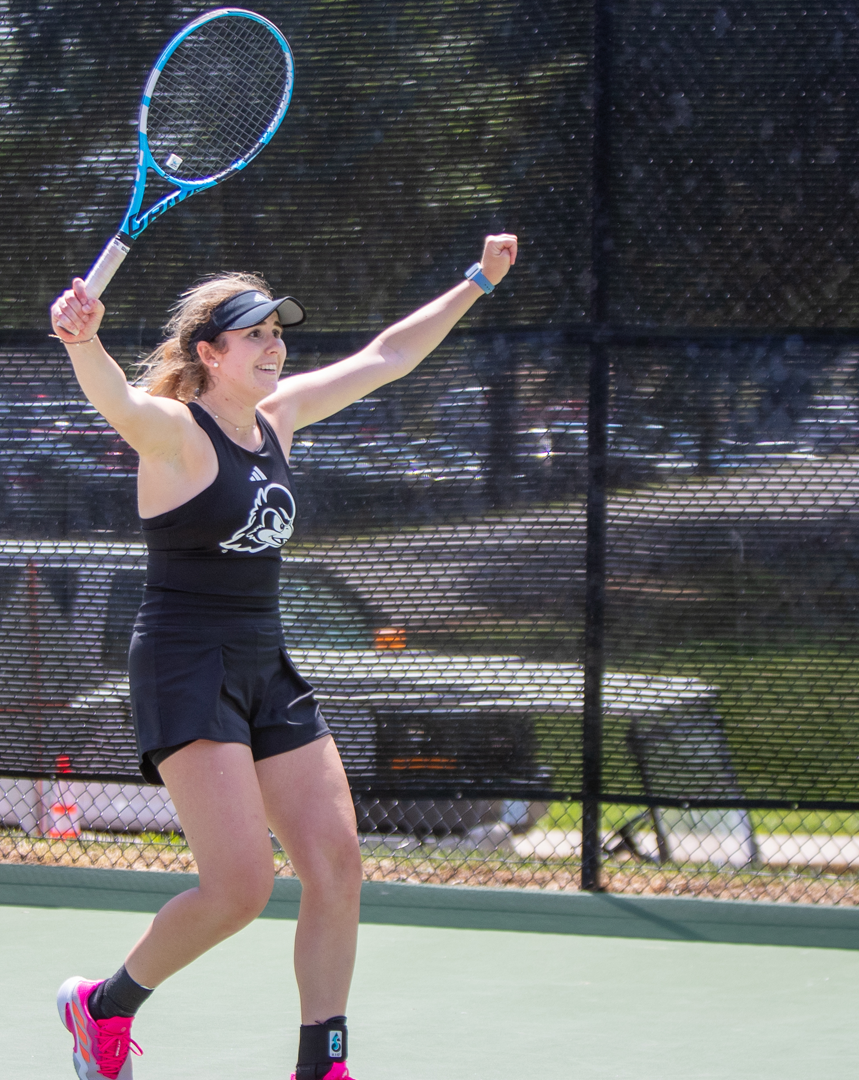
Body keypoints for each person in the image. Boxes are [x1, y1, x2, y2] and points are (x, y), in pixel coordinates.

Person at [46, 233, 519, 1080]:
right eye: (257, 333)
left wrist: (475, 283)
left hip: (266, 661)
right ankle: (100, 1008)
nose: (275, 344)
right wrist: (83, 339)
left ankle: (322, 1065)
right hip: (186, 666)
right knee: (239, 890)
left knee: (337, 865)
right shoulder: (175, 434)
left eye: (277, 331)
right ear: (210, 354)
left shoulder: (280, 418)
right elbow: (116, 400)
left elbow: (388, 355)